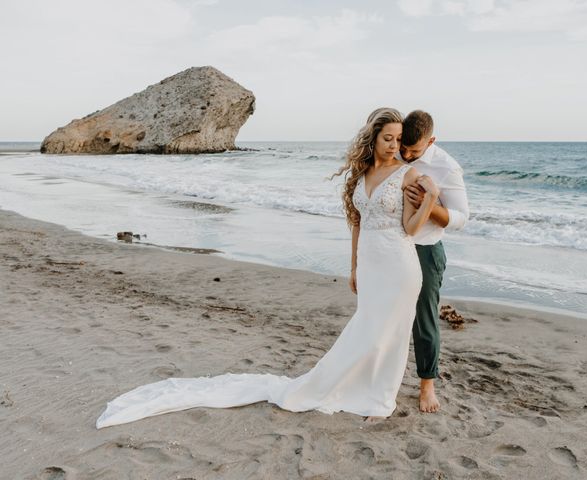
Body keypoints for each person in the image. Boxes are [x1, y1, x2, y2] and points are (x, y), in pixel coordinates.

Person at [95, 107, 438, 429]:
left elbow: (410, 228)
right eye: (387, 138)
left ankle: (379, 399)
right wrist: (353, 267)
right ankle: (361, 387)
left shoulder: (409, 173)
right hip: (371, 266)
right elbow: (357, 224)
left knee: (388, 333)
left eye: (397, 139)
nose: (394, 146)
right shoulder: (362, 173)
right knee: (368, 329)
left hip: (399, 265)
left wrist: (431, 198)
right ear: (373, 138)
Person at [397, 110, 470, 413]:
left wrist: (428, 206)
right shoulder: (395, 153)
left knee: (424, 320)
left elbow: (460, 219)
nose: (407, 155)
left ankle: (427, 384)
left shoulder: (447, 167)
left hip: (425, 249)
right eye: (404, 148)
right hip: (393, 247)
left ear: (432, 141)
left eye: (415, 151)